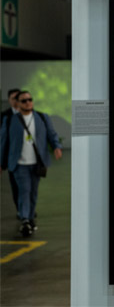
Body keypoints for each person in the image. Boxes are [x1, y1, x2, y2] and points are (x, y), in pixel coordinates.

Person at [1, 91, 63, 237]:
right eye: (24, 100)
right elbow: (3, 142)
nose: (28, 102)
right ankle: (25, 219)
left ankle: (29, 218)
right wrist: (1, 163)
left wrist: (56, 147)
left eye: (30, 99)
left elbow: (51, 134)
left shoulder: (42, 117)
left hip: (37, 164)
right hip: (19, 164)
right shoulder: (10, 120)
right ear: (18, 103)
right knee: (24, 190)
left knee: (33, 193)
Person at [1, 88, 22, 213]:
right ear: (9, 100)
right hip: (12, 158)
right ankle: (20, 209)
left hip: (29, 158)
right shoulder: (4, 116)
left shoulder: (29, 114)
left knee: (29, 187)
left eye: (18, 98)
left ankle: (27, 209)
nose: (16, 101)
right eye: (13, 98)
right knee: (16, 186)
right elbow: (2, 140)